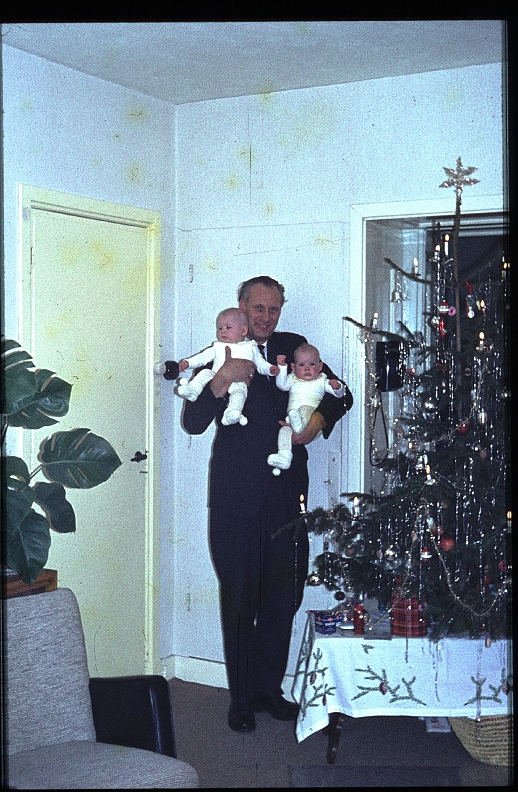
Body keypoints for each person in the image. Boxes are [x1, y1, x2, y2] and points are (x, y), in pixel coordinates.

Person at [181, 276, 352, 733]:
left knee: (284, 594)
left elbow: (342, 394)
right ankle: (241, 698)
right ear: (241, 306)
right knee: (238, 596)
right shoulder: (226, 346)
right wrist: (220, 381)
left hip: (285, 495)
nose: (265, 317)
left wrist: (313, 423)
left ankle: (268, 689)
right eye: (258, 308)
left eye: (273, 308)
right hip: (235, 494)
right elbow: (193, 422)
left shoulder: (293, 348)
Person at [176, 307, 279, 425]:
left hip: (240, 385)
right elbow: (202, 357)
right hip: (214, 375)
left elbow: (261, 363)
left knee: (240, 393)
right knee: (204, 373)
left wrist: (270, 369)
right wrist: (188, 362)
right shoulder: (217, 347)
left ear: (243, 330)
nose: (223, 331)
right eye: (220, 328)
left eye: (228, 328)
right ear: (244, 305)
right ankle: (193, 389)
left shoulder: (251, 347)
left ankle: (233, 413)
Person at [268, 343, 346, 474]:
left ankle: (299, 424)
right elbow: (281, 384)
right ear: (293, 367)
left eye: (312, 365)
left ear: (320, 366)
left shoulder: (322, 380)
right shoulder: (293, 379)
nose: (307, 369)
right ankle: (285, 456)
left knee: (304, 409)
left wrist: (337, 387)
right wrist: (282, 367)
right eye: (302, 365)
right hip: (292, 421)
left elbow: (342, 396)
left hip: (310, 420)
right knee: (285, 432)